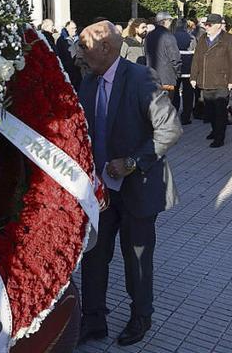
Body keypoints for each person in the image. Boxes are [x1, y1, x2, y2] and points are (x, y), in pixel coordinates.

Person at [76, 20, 182, 346]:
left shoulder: (139, 79)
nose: (78, 53)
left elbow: (170, 129)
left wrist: (133, 162)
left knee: (136, 257)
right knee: (94, 256)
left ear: (106, 47)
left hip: (138, 187)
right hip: (101, 191)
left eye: (84, 46)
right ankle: (93, 320)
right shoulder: (89, 82)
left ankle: (141, 317)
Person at [189, 14, 232, 148]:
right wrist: (193, 76)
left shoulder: (229, 39)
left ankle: (220, 137)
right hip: (206, 80)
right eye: (205, 24)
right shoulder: (202, 39)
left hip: (221, 81)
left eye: (209, 25)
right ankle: (214, 130)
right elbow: (196, 59)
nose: (206, 27)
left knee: (220, 110)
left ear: (218, 25)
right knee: (210, 110)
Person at [144, 12, 183, 96]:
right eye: (170, 20)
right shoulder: (168, 36)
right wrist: (177, 73)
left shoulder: (149, 36)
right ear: (164, 21)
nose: (171, 23)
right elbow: (175, 57)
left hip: (151, 77)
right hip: (167, 78)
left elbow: (146, 54)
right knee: (166, 106)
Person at [172, 18, 196, 125]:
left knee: (175, 93)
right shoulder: (191, 37)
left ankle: (173, 114)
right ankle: (186, 116)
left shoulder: (171, 37)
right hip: (189, 69)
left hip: (175, 69)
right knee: (188, 94)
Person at [56, 20, 82, 90]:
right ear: (67, 29)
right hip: (68, 70)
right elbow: (59, 55)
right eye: (72, 28)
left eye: (75, 28)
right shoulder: (61, 40)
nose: (75, 30)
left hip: (79, 70)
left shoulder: (79, 39)